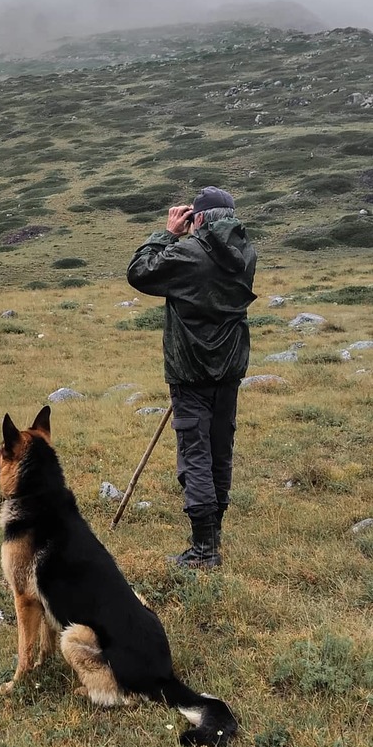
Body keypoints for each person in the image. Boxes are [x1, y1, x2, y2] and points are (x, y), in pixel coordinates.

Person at [126, 187, 257, 568]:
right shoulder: (247, 253)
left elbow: (139, 272)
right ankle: (212, 537)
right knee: (220, 451)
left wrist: (168, 232)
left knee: (195, 456)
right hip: (229, 368)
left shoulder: (187, 254)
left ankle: (204, 551)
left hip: (190, 370)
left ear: (198, 218)